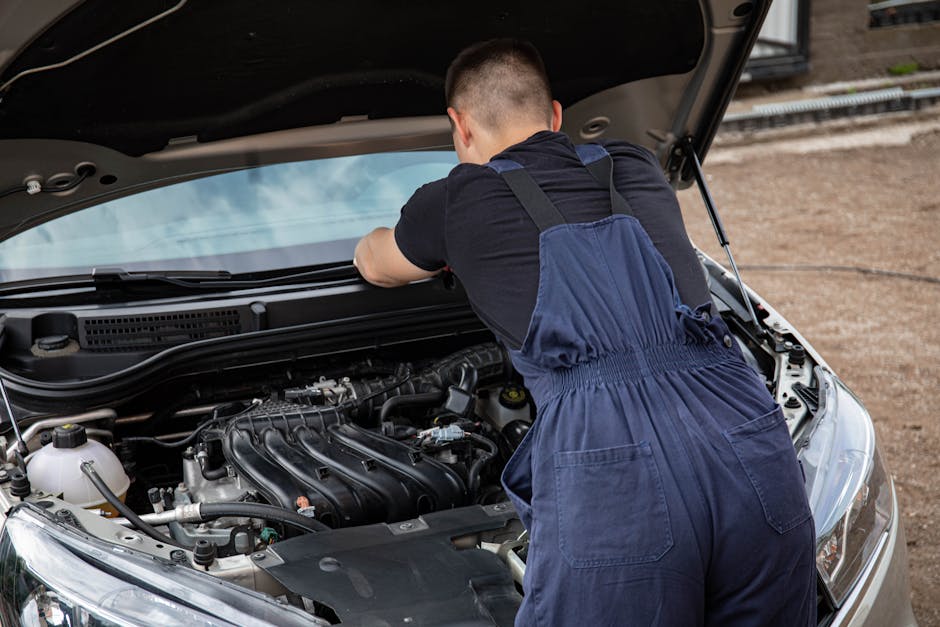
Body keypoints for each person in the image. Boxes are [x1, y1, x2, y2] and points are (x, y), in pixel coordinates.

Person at [354, 39, 816, 626]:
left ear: (458, 124)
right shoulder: (632, 165)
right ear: (554, 115)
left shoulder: (453, 201)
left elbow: (376, 262)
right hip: (743, 426)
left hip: (614, 459)